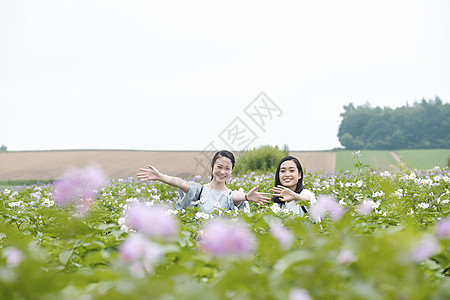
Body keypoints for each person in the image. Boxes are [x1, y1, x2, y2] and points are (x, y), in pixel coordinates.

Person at [136, 150, 271, 214]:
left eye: (227, 168)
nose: (222, 172)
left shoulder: (231, 195)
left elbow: (234, 197)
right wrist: (160, 176)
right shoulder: (200, 190)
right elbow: (181, 183)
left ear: (232, 170)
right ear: (212, 166)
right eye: (219, 167)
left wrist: (247, 196)